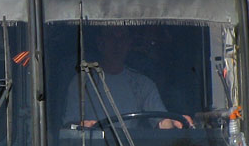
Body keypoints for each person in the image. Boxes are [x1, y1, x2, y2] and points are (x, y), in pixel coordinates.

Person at [63, 26, 191, 130]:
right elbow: (69, 126)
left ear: (129, 43)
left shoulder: (142, 84)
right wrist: (85, 125)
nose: (117, 44)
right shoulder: (82, 82)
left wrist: (173, 122)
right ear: (100, 42)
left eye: (122, 38)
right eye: (111, 37)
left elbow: (161, 122)